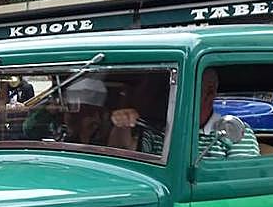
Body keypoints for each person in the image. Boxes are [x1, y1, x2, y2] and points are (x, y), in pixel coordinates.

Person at [111, 68, 258, 158]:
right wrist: (122, 126)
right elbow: (126, 156)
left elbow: (239, 183)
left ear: (209, 91)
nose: (169, 95)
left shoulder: (234, 131)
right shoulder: (156, 131)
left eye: (179, 87)